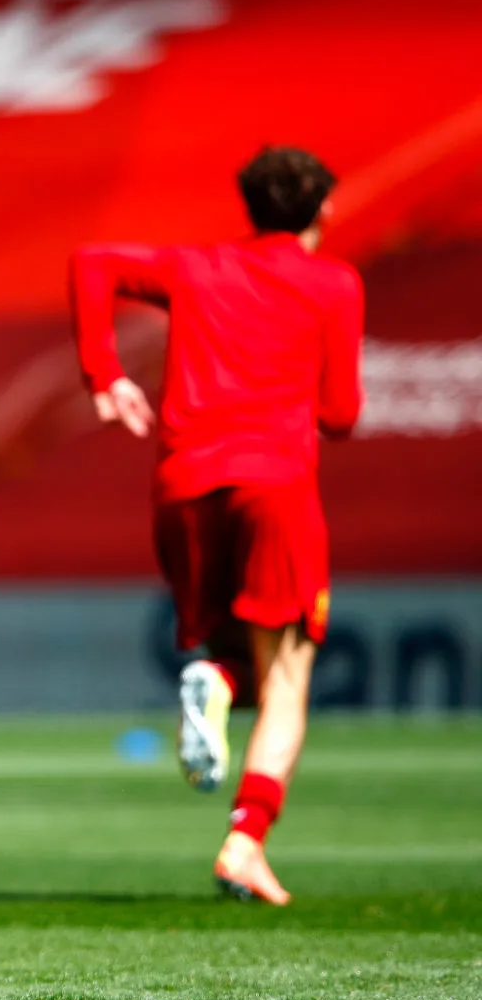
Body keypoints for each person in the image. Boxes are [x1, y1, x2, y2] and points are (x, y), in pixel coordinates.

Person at [69, 146, 363, 906]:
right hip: (275, 487)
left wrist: (104, 373)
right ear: (323, 208)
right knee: (288, 679)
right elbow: (340, 414)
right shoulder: (333, 282)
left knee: (239, 659)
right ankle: (245, 842)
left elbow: (93, 263)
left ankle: (216, 681)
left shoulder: (198, 267)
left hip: (185, 486)